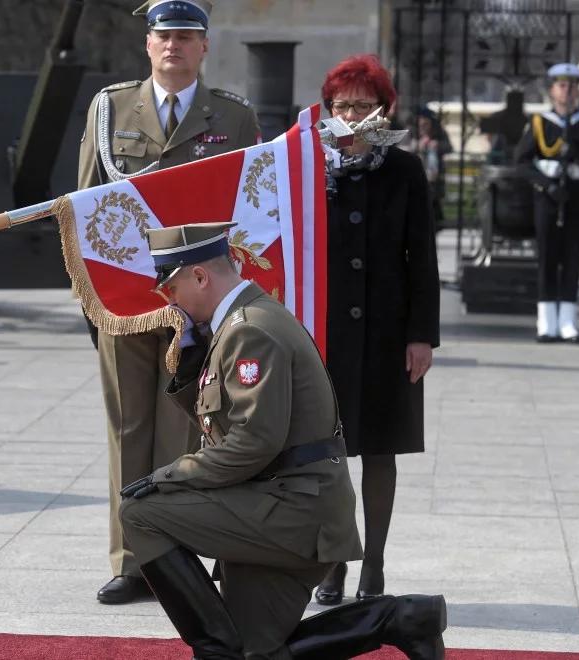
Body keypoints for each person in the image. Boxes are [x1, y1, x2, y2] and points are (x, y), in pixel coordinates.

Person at [119, 222, 448, 660]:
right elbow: (226, 425)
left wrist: (170, 475)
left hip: (294, 510)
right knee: (259, 650)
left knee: (140, 512)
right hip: (284, 501)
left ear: (200, 276)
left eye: (172, 288)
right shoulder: (239, 323)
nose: (168, 300)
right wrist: (191, 363)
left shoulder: (249, 329)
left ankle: (215, 650)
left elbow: (254, 442)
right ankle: (402, 619)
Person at [76, 0, 261, 606]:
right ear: (147, 44)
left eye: (186, 36)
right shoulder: (110, 109)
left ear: (204, 47)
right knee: (130, 426)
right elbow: (83, 208)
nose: (173, 46)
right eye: (164, 35)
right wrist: (89, 300)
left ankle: (174, 557)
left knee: (185, 431)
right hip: (126, 297)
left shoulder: (233, 118)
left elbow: (250, 216)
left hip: (196, 301)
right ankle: (132, 561)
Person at [310, 54, 441, 607]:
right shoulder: (309, 166)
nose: (353, 115)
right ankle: (334, 563)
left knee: (380, 451)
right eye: (343, 105)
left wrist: (422, 335)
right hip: (327, 333)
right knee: (330, 454)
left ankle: (375, 566)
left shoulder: (405, 169)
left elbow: (424, 258)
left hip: (389, 331)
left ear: (384, 110)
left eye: (365, 105)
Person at [515, 63, 579, 343]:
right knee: (547, 258)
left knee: (572, 257)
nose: (567, 92)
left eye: (572, 86)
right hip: (548, 198)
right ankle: (546, 322)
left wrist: (577, 153)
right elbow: (521, 161)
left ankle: (567, 321)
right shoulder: (541, 123)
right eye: (562, 86)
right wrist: (547, 184)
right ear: (552, 90)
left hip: (576, 197)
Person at [414, 105, 451, 230]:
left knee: (434, 207)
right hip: (418, 177)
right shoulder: (413, 133)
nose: (423, 125)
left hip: (435, 180)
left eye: (426, 123)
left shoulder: (440, 134)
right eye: (421, 123)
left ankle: (434, 228)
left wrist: (438, 145)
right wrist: (418, 146)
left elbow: (449, 147)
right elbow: (403, 148)